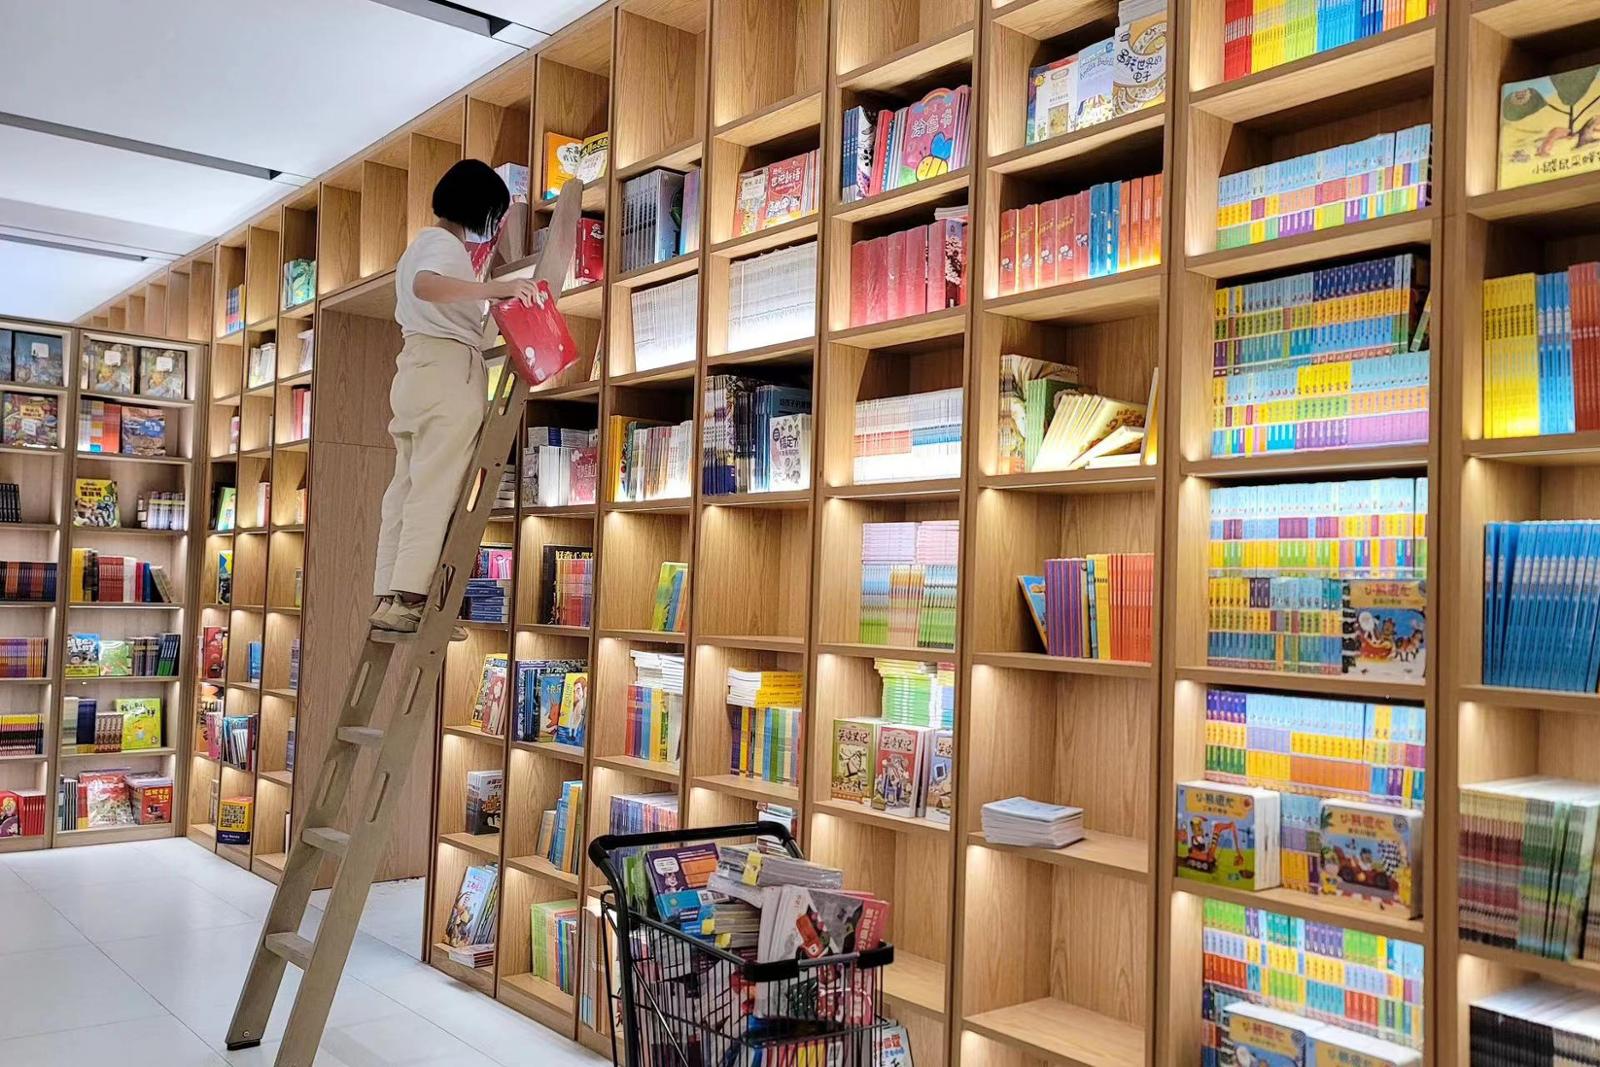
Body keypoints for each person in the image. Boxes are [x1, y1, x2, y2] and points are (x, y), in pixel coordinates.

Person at [370, 159, 535, 633]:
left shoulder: (419, 245)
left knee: (407, 487)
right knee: (438, 487)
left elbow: (423, 286)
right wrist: (498, 287)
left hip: (415, 370)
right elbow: (428, 286)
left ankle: (390, 595)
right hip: (446, 371)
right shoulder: (443, 245)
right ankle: (414, 597)